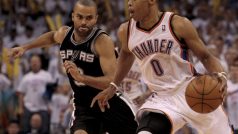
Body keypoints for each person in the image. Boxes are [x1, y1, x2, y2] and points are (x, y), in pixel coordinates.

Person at [91, 0, 233, 134]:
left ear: (151, 1)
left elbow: (206, 56)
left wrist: (221, 74)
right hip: (162, 99)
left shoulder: (178, 24)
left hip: (192, 90)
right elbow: (126, 55)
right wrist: (113, 86)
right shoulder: (126, 31)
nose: (129, 3)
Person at [8, 0, 137, 134]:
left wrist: (82, 78)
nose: (83, 22)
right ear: (73, 16)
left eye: (89, 18)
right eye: (80, 17)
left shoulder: (102, 41)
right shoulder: (64, 34)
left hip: (110, 102)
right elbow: (51, 37)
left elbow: (111, 82)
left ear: (96, 19)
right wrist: (25, 47)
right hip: (84, 107)